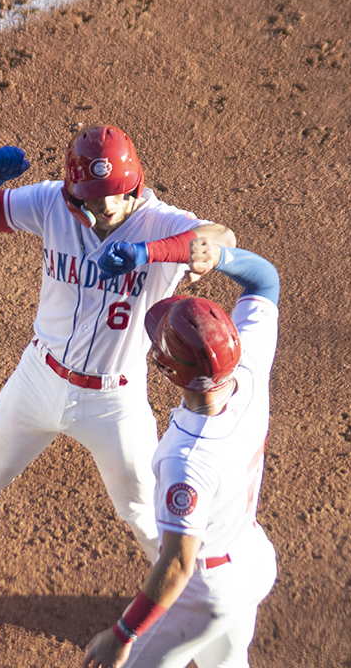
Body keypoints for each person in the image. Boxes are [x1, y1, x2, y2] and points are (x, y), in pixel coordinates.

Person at [0, 125, 237, 592]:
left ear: (135, 184)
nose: (106, 205)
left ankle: (187, 601)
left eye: (117, 193)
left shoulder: (163, 222)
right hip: (38, 378)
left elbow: (223, 237)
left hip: (114, 400)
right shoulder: (51, 203)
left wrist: (149, 253)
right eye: (95, 197)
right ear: (73, 192)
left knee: (142, 510)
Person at [82, 238, 280, 668]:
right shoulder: (249, 371)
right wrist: (221, 257)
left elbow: (176, 563)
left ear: (166, 370)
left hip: (206, 591)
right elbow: (265, 282)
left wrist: (122, 634)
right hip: (254, 557)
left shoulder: (185, 460)